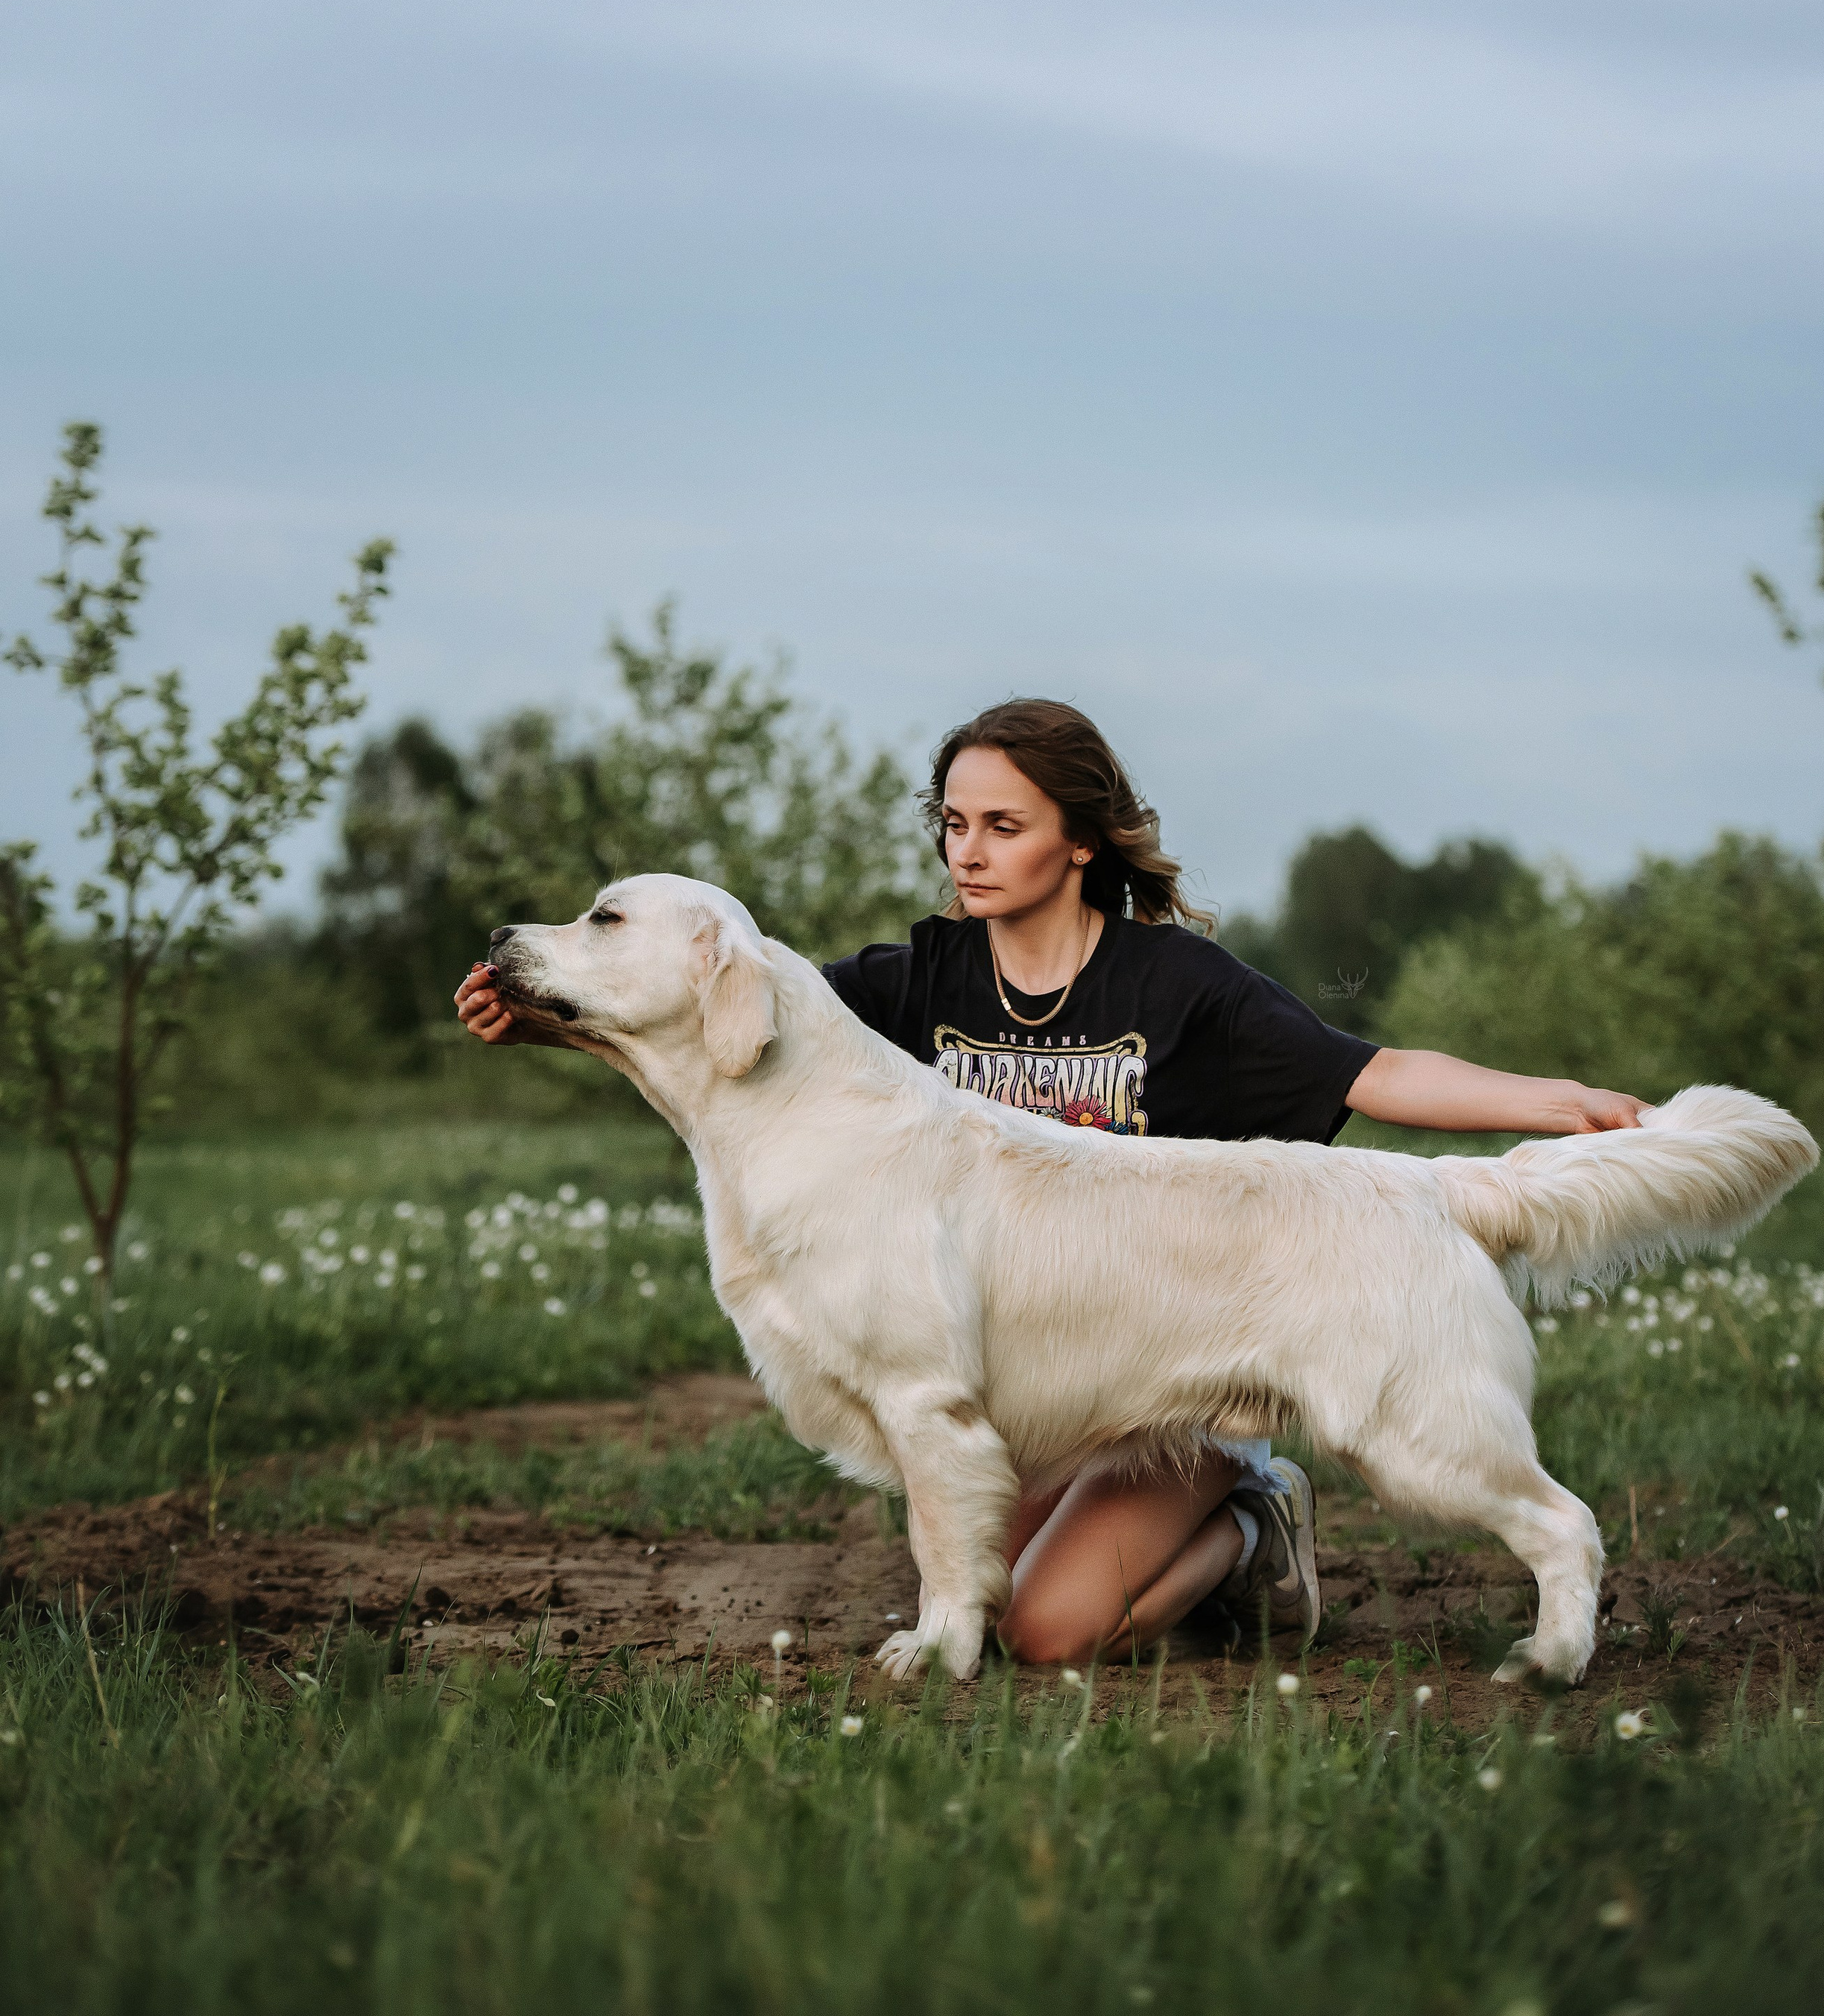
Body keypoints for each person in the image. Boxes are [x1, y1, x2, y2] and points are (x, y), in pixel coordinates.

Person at [454, 697, 1644, 1669]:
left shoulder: (1177, 982)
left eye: (1003, 826)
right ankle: (981, 1599)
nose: (968, 851)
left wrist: (1563, 1111)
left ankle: (1257, 1517)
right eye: (954, 824)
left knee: (1051, 1629)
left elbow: (1371, 1072)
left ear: (1078, 839)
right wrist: (550, 1019)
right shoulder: (911, 977)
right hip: (1046, 1402)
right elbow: (713, 1036)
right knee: (991, 1558)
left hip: (1204, 1336)